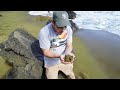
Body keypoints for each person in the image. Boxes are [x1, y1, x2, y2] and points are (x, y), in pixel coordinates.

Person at [38, 11, 75, 79]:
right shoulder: (44, 32)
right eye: (60, 26)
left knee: (71, 76)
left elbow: (69, 45)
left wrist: (68, 53)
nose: (63, 29)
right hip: (51, 63)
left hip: (64, 60)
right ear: (53, 23)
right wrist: (59, 56)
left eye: (65, 26)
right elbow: (46, 52)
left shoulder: (68, 29)